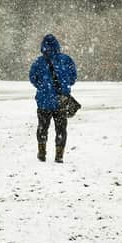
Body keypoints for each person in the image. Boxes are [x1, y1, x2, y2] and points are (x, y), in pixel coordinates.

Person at [29, 34, 77, 163]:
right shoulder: (66, 60)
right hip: (61, 101)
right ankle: (59, 155)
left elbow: (32, 78)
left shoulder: (38, 62)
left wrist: (42, 87)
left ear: (43, 47)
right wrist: (64, 85)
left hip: (43, 101)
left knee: (42, 127)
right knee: (61, 128)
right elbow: (73, 78)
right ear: (57, 46)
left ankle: (42, 152)